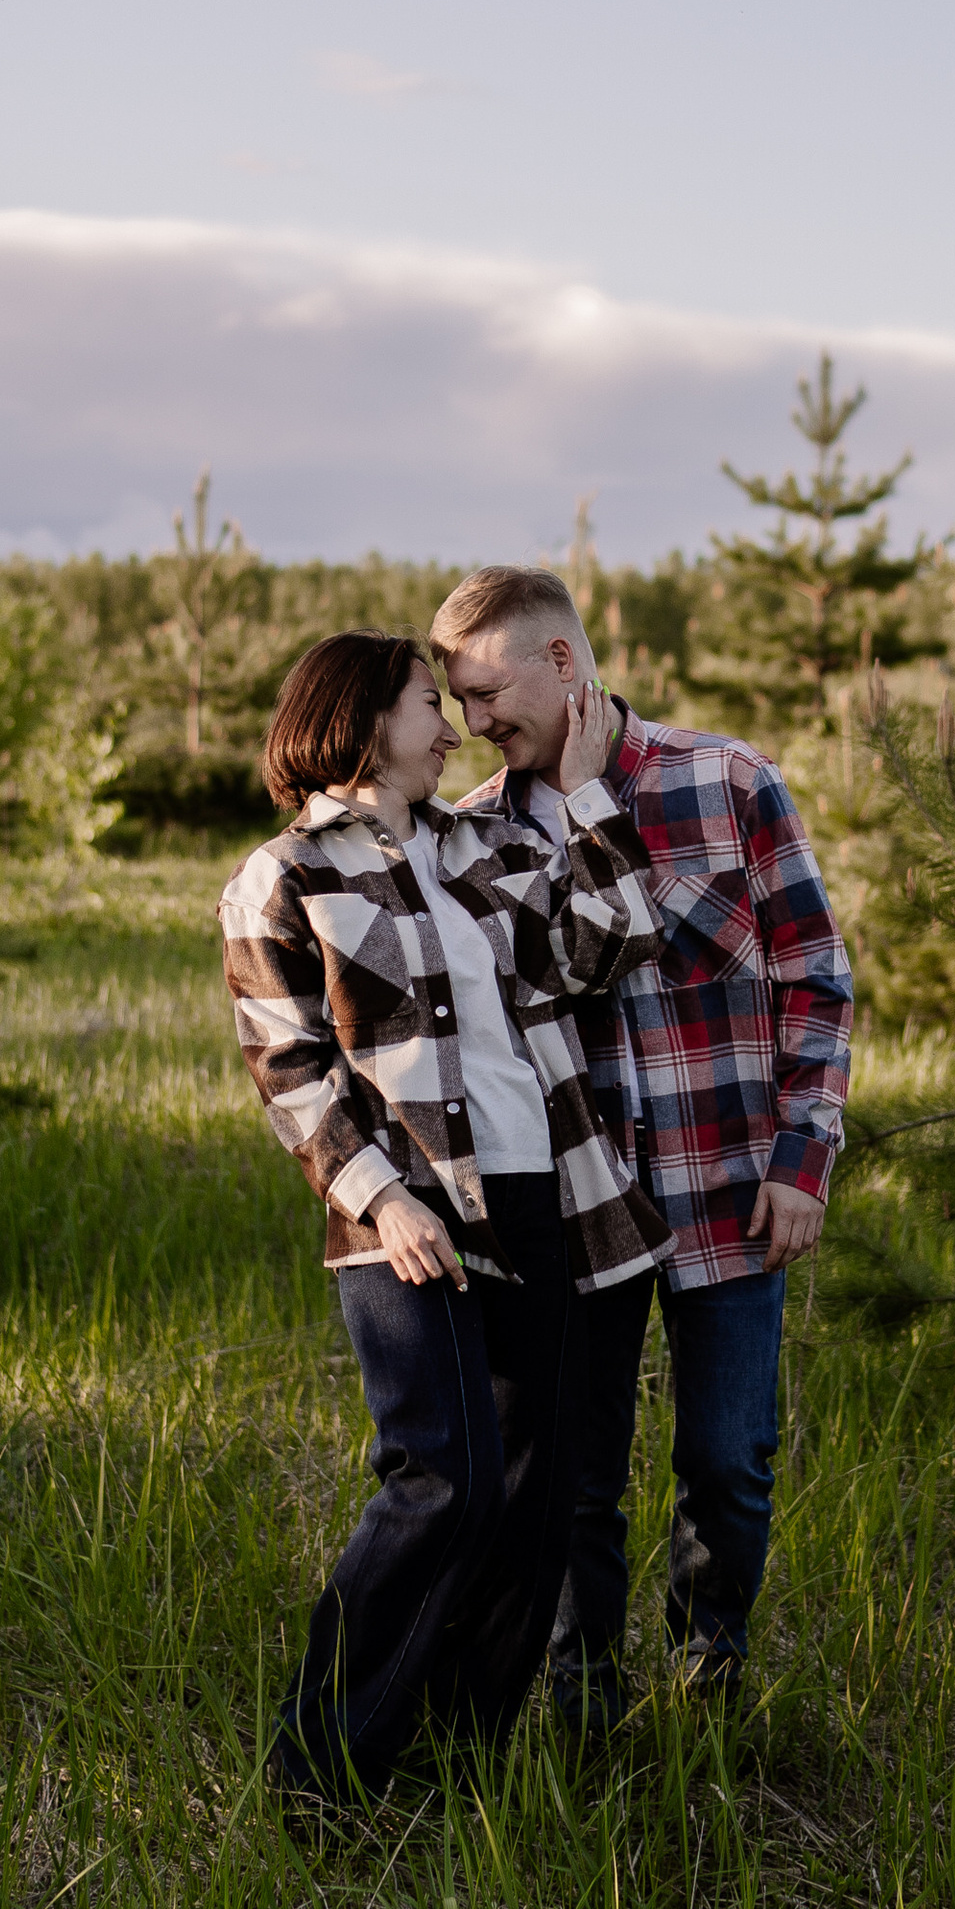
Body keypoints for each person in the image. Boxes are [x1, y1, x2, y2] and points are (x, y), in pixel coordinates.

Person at [219, 628, 670, 1804]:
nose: (453, 725)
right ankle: (317, 1768)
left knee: (534, 1505)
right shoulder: (282, 876)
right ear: (368, 720)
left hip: (551, 1197)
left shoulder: (490, 841)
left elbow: (614, 941)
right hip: (406, 1215)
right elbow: (289, 1068)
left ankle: (450, 1772)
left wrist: (580, 801)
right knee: (442, 1482)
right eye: (431, 702)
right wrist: (375, 1198)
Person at [431, 565, 853, 1725]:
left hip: (731, 1194)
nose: (474, 722)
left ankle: (709, 1679)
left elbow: (817, 983)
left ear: (562, 662)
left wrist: (800, 1162)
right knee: (575, 1481)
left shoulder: (730, 782)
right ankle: (582, 1708)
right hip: (577, 1217)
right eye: (457, 703)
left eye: (485, 693)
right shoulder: (476, 835)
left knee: (727, 1462)